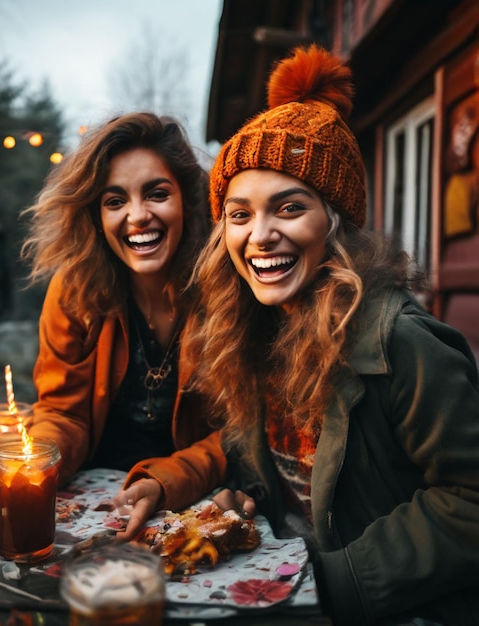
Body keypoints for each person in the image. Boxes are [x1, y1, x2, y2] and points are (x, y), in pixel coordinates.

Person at [182, 45, 479, 625]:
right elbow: (289, 482)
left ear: (335, 221)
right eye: (239, 215)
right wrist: (244, 504)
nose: (260, 235)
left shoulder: (403, 342)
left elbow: (472, 498)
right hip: (283, 593)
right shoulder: (251, 331)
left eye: (288, 208)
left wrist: (337, 582)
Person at [21, 112, 226, 520]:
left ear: (187, 199)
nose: (137, 216)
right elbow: (62, 411)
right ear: (96, 217)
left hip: (193, 500)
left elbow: (242, 434)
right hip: (91, 503)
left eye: (156, 193)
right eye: (115, 201)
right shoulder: (73, 291)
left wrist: (168, 481)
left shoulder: (226, 293)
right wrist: (40, 460)